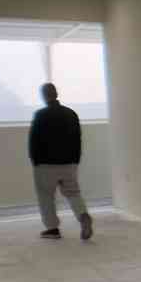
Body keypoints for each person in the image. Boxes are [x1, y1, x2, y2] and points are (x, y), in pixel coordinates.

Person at [29, 83, 93, 240]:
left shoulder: (40, 115)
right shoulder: (71, 114)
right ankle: (82, 215)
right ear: (56, 94)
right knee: (73, 193)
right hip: (69, 163)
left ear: (44, 96)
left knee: (46, 196)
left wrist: (35, 161)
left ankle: (52, 229)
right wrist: (75, 161)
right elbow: (78, 139)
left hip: (45, 165)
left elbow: (34, 141)